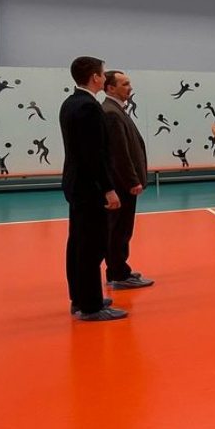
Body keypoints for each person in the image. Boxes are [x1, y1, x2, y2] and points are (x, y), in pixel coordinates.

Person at [59, 56, 124, 322]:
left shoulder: (70, 102)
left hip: (76, 183)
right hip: (89, 186)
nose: (105, 76)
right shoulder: (88, 107)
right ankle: (91, 306)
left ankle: (80, 297)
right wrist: (108, 188)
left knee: (77, 243)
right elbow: (93, 154)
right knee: (91, 246)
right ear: (95, 77)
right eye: (103, 73)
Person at [101, 69, 155, 292]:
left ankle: (118, 269)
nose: (130, 87)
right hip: (121, 183)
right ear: (110, 88)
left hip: (121, 182)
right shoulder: (111, 113)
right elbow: (119, 153)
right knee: (120, 229)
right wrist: (132, 180)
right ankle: (119, 274)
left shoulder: (116, 110)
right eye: (124, 84)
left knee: (120, 229)